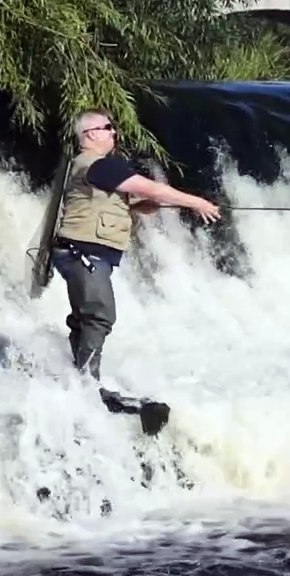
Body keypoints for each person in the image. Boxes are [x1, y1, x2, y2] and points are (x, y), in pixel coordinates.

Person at [51, 109, 221, 386]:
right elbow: (152, 188)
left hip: (77, 252)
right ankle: (86, 384)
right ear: (91, 133)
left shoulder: (86, 166)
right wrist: (197, 203)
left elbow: (107, 203)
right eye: (108, 127)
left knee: (87, 318)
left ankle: (78, 377)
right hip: (83, 253)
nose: (114, 133)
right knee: (100, 316)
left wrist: (144, 205)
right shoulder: (100, 165)